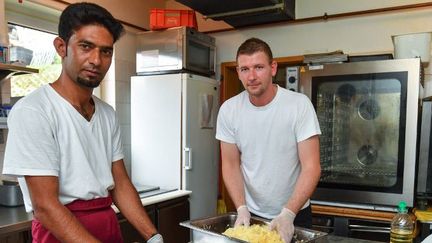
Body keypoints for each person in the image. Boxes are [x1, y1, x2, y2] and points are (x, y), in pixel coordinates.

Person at [2, 3, 163, 243]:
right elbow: (45, 206)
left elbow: (119, 183)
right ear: (61, 47)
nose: (96, 60)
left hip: (107, 226)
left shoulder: (107, 114)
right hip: (60, 231)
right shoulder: (34, 111)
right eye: (86, 47)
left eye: (106, 51)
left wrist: (153, 236)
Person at [216, 37, 321, 243]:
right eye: (245, 69)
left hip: (295, 214)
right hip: (252, 217)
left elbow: (312, 167)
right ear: (237, 72)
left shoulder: (298, 105)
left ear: (273, 68)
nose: (252, 76)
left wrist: (288, 213)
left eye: (258, 67)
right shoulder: (229, 110)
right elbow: (230, 164)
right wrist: (241, 207)